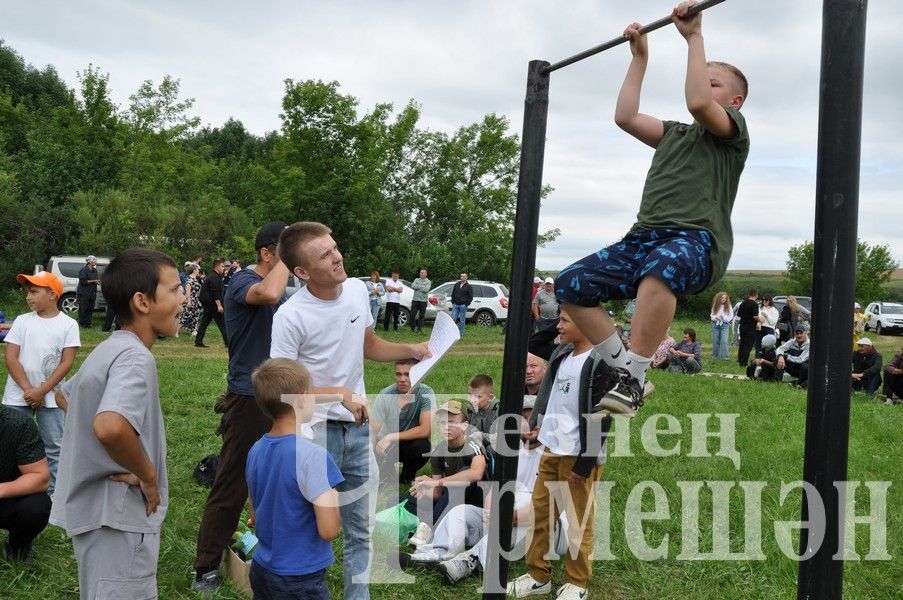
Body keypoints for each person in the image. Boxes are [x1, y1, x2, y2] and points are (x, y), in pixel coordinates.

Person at [552, 2, 750, 420]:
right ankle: (627, 370)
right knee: (570, 283)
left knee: (663, 266)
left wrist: (694, 37)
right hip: (642, 238)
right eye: (705, 80)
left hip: (694, 241)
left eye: (714, 83)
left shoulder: (732, 135)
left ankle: (633, 376)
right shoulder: (674, 134)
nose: (704, 86)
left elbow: (698, 102)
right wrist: (640, 58)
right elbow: (625, 115)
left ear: (735, 100)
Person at [269, 221, 430, 600]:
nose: (337, 257)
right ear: (302, 272)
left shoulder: (357, 290)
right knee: (314, 528)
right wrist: (338, 393)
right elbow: (281, 388)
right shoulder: (290, 317)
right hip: (314, 436)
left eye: (335, 247)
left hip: (358, 432)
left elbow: (370, 345)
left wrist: (414, 350)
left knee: (362, 530)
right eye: (325, 255)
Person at [50, 248, 184, 599]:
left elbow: (67, 396)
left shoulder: (111, 347)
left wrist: (98, 452)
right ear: (142, 301)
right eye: (174, 289)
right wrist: (147, 474)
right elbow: (110, 426)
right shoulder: (136, 359)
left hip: (99, 515)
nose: (183, 298)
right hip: (119, 516)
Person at [192, 221, 290, 593]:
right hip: (249, 399)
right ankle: (204, 568)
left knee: (276, 478)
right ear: (267, 253)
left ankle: (270, 553)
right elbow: (266, 294)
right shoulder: (243, 282)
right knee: (232, 483)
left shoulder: (278, 282)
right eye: (287, 250)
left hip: (278, 394)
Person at [508, 306, 614, 599]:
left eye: (565, 321)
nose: (558, 327)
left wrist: (584, 463)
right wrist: (570, 309)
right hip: (551, 449)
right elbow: (533, 343)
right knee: (541, 515)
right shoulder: (562, 354)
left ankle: (577, 583)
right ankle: (538, 575)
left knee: (578, 520)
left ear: (584, 323)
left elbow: (603, 415)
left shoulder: (599, 362)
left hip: (578, 455)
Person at [246, 358, 343, 600]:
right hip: (300, 578)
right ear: (301, 398)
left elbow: (254, 516)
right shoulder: (313, 457)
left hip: (262, 568)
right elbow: (329, 529)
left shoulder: (255, 449)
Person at [3, 271, 80, 494]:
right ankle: (14, 487)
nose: (28, 297)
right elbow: (10, 357)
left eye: (34, 291)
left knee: (54, 445)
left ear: (52, 294)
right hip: (18, 395)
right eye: (27, 292)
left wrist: (42, 391)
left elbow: (66, 363)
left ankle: (53, 492)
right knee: (9, 443)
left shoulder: (68, 325)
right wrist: (29, 390)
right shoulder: (21, 321)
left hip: (52, 397)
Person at [402, 400, 486, 546]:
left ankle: (428, 527)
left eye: (452, 422)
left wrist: (436, 482)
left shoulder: (473, 444)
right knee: (399, 500)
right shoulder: (439, 450)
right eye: (442, 423)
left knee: (465, 474)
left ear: (465, 425)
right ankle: (437, 522)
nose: (446, 427)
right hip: (450, 500)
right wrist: (423, 488)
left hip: (476, 502)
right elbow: (438, 493)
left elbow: (476, 473)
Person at [0, 404, 52, 561]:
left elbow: (40, 477)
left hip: (7, 497)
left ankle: (16, 548)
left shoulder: (17, 423)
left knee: (36, 506)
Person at [370, 358, 435, 483]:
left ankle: (406, 478)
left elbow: (425, 430)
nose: (402, 379)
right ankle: (386, 471)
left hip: (408, 443)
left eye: (407, 374)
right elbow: (373, 432)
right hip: (384, 446)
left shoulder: (426, 393)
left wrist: (391, 436)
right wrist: (372, 460)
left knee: (423, 446)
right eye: (398, 374)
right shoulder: (385, 395)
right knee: (380, 481)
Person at [195, 258, 228, 348]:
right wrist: (219, 305)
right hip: (212, 303)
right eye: (222, 266)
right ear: (217, 267)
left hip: (209, 303)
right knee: (222, 323)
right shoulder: (214, 277)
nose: (223, 268)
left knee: (204, 322)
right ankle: (228, 343)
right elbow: (215, 292)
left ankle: (198, 341)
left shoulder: (214, 275)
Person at [466, 373, 498, 448]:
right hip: (475, 447)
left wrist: (480, 436)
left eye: (478, 396)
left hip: (494, 448)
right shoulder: (468, 410)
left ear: (490, 398)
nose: (472, 400)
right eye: (470, 394)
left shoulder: (498, 410)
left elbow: (500, 438)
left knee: (491, 449)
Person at [775, 324, 810, 388]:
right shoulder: (792, 341)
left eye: (801, 333)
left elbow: (801, 359)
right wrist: (781, 356)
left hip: (802, 370)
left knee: (805, 366)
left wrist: (786, 356)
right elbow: (780, 348)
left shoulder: (809, 345)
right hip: (793, 367)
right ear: (794, 334)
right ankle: (777, 381)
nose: (799, 336)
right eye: (797, 334)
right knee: (778, 359)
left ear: (805, 333)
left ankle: (799, 383)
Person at [736, 289, 759, 367]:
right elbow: (755, 316)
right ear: (756, 295)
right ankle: (744, 363)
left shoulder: (743, 303)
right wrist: (761, 319)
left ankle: (740, 360)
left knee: (742, 343)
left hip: (742, 326)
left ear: (749, 294)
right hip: (751, 327)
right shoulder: (754, 304)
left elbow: (738, 314)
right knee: (748, 345)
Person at [76, 255, 100, 328]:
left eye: (96, 260)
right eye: (94, 261)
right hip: (84, 293)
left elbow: (96, 280)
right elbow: (83, 281)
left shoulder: (95, 270)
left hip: (92, 293)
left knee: (90, 308)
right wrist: (94, 281)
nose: (96, 262)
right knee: (83, 309)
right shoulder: (83, 270)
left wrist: (99, 282)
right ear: (90, 262)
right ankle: (81, 323)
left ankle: (88, 323)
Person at [710, 291, 733, 360]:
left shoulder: (729, 306)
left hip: (724, 325)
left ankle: (725, 357)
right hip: (716, 324)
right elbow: (712, 315)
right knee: (715, 340)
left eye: (725, 298)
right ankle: (715, 356)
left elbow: (731, 316)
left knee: (724, 341)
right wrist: (715, 318)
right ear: (719, 298)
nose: (724, 299)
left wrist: (724, 318)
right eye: (722, 298)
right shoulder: (715, 305)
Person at [410, 268, 431, 333]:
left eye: (423, 273)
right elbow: (413, 286)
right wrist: (422, 286)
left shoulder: (428, 281)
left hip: (423, 301)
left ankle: (419, 329)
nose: (421, 274)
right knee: (412, 315)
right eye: (421, 273)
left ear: (426, 274)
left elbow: (426, 290)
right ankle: (413, 328)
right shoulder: (416, 279)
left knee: (421, 316)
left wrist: (418, 287)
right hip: (415, 300)